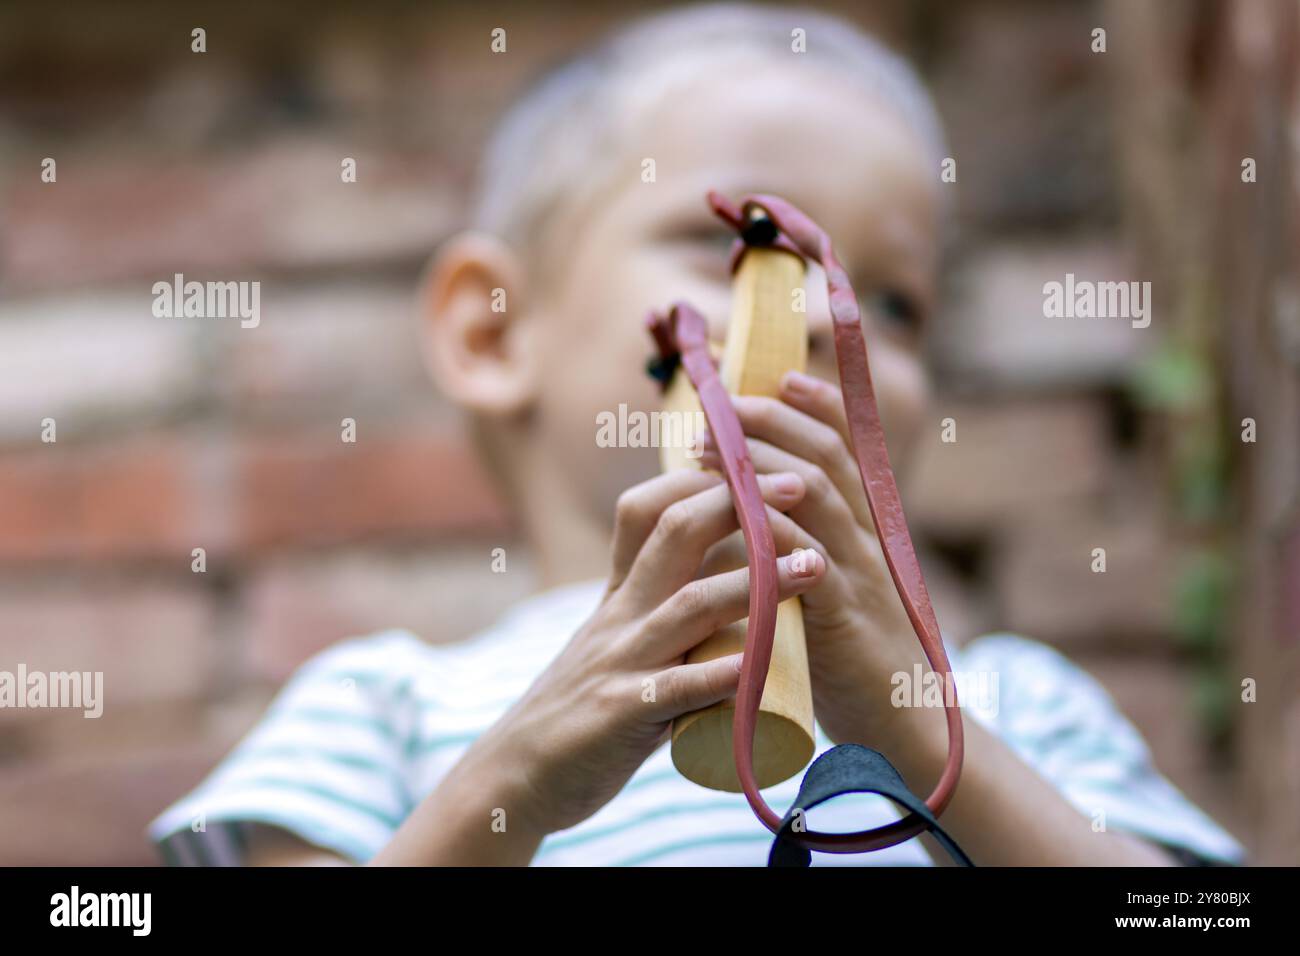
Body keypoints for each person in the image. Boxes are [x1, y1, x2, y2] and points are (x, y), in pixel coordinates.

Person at [150, 4, 1243, 866]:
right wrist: (512, 785)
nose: (821, 312)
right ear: (493, 331)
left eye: (894, 305)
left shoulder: (1013, 701)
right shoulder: (382, 712)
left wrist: (918, 729)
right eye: (730, 241)